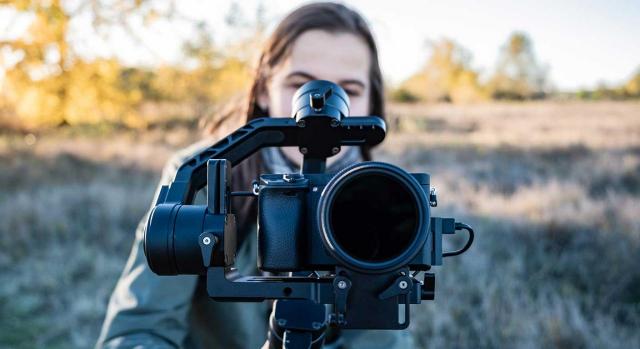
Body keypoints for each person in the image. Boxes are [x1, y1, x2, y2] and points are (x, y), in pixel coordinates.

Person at [96, 3, 414, 348]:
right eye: (301, 85)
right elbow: (139, 329)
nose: (323, 108)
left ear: (372, 103)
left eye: (348, 91)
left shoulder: (388, 196)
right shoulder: (203, 175)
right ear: (264, 90)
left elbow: (380, 338)